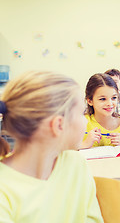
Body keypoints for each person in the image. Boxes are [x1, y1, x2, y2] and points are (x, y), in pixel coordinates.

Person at [0, 71, 103, 222]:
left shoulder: (76, 163)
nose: (86, 121)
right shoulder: (4, 189)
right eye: (82, 113)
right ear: (59, 125)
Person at [81, 73, 120, 149]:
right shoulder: (81, 124)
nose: (109, 103)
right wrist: (84, 145)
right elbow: (66, 155)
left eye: (114, 98)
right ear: (90, 101)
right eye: (102, 99)